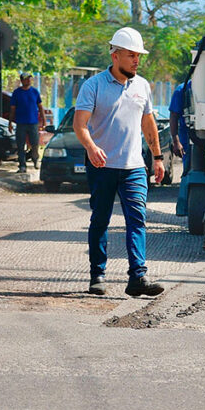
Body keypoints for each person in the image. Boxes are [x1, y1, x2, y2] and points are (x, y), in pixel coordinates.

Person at [74, 26, 165, 297]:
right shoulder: (93, 86)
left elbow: (148, 123)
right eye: (131, 55)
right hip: (102, 166)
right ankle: (97, 276)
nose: (137, 60)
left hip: (134, 166)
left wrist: (158, 158)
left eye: (139, 56)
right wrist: (91, 148)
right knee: (100, 220)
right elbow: (80, 125)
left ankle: (138, 277)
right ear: (115, 55)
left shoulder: (142, 86)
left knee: (137, 219)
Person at [9, 71, 45, 173]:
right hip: (21, 123)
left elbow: (40, 107)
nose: (28, 80)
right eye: (26, 78)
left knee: (35, 144)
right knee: (20, 145)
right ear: (22, 80)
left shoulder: (34, 92)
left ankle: (35, 160)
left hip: (33, 123)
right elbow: (12, 108)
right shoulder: (17, 93)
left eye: (29, 78)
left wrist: (43, 120)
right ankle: (22, 165)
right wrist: (10, 122)